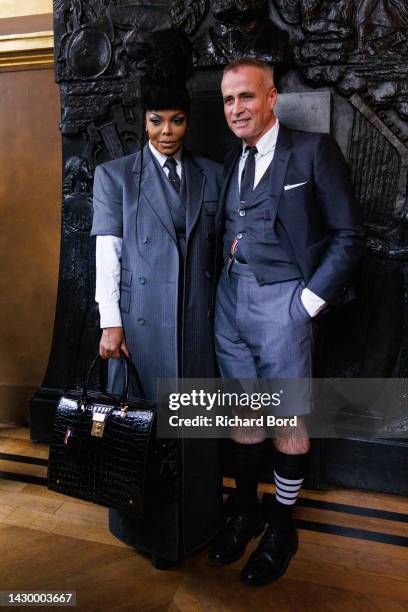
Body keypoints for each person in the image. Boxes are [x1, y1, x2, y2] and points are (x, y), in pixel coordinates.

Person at [208, 57, 365, 585]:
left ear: (272, 97)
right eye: (229, 100)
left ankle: (281, 525)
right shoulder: (233, 160)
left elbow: (348, 235)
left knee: (288, 423)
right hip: (229, 305)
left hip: (285, 303)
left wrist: (308, 303)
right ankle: (247, 512)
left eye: (246, 97)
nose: (237, 109)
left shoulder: (312, 150)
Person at [90, 30, 223, 569]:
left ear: (188, 121)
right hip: (138, 332)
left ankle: (198, 527)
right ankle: (143, 531)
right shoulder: (115, 176)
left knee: (192, 435)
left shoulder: (211, 174)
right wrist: (111, 324)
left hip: (197, 328)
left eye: (177, 120)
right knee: (141, 434)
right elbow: (108, 257)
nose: (166, 132)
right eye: (156, 121)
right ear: (142, 121)